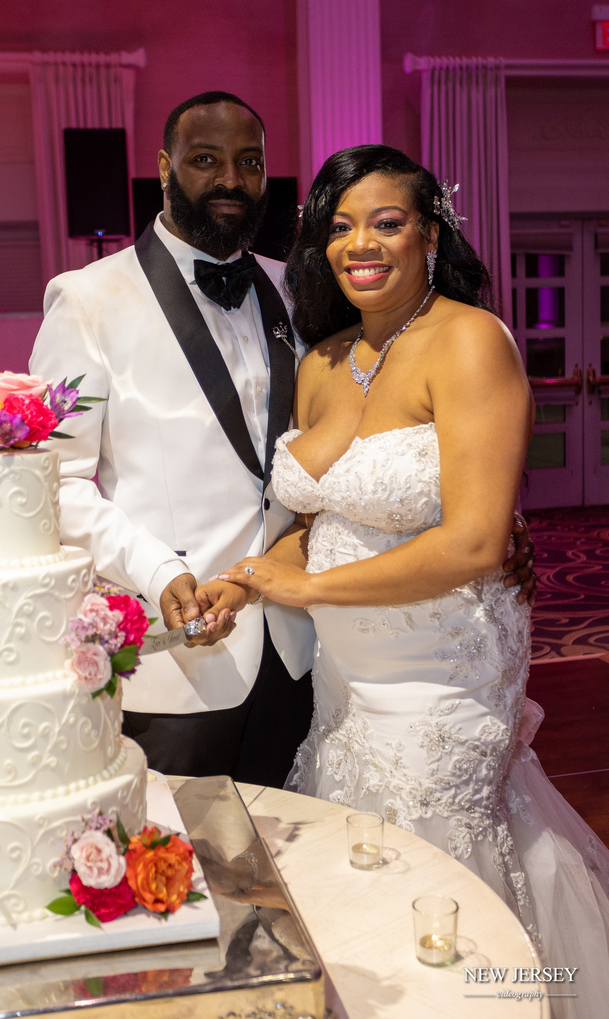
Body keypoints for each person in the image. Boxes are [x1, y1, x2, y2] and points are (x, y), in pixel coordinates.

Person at [30, 95, 534, 788]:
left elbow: (397, 426)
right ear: (164, 168)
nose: (230, 180)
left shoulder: (298, 291)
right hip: (182, 653)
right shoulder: (86, 299)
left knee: (301, 868)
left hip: (307, 651)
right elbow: (52, 481)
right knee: (187, 871)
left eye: (250, 163)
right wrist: (155, 571)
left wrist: (492, 513)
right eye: (206, 160)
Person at [215, 145, 609, 1016]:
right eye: (340, 226)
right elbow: (319, 525)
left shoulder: (472, 342)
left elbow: (473, 541)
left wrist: (308, 591)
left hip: (445, 670)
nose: (362, 242)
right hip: (347, 677)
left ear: (429, 232)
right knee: (360, 856)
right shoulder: (322, 362)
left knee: (434, 858)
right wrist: (244, 581)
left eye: (386, 221)